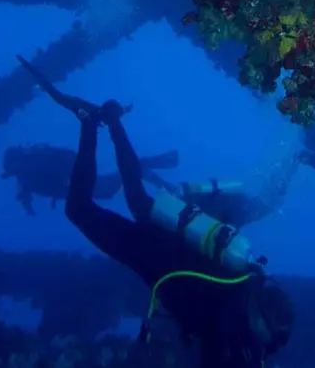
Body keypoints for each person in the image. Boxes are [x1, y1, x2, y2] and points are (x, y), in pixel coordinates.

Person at [15, 56, 294, 367]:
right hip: (157, 255)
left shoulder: (247, 282)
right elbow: (214, 348)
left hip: (176, 238)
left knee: (134, 193)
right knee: (80, 209)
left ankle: (108, 121)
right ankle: (91, 123)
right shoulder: (234, 323)